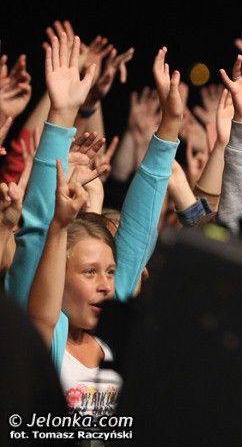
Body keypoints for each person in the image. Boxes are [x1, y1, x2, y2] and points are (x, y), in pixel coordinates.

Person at [9, 34, 182, 416]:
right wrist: (62, 116)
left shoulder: (112, 337)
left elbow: (138, 231)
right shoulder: (38, 331)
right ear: (55, 272)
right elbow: (37, 231)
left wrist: (170, 125)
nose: (106, 285)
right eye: (89, 272)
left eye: (110, 271)